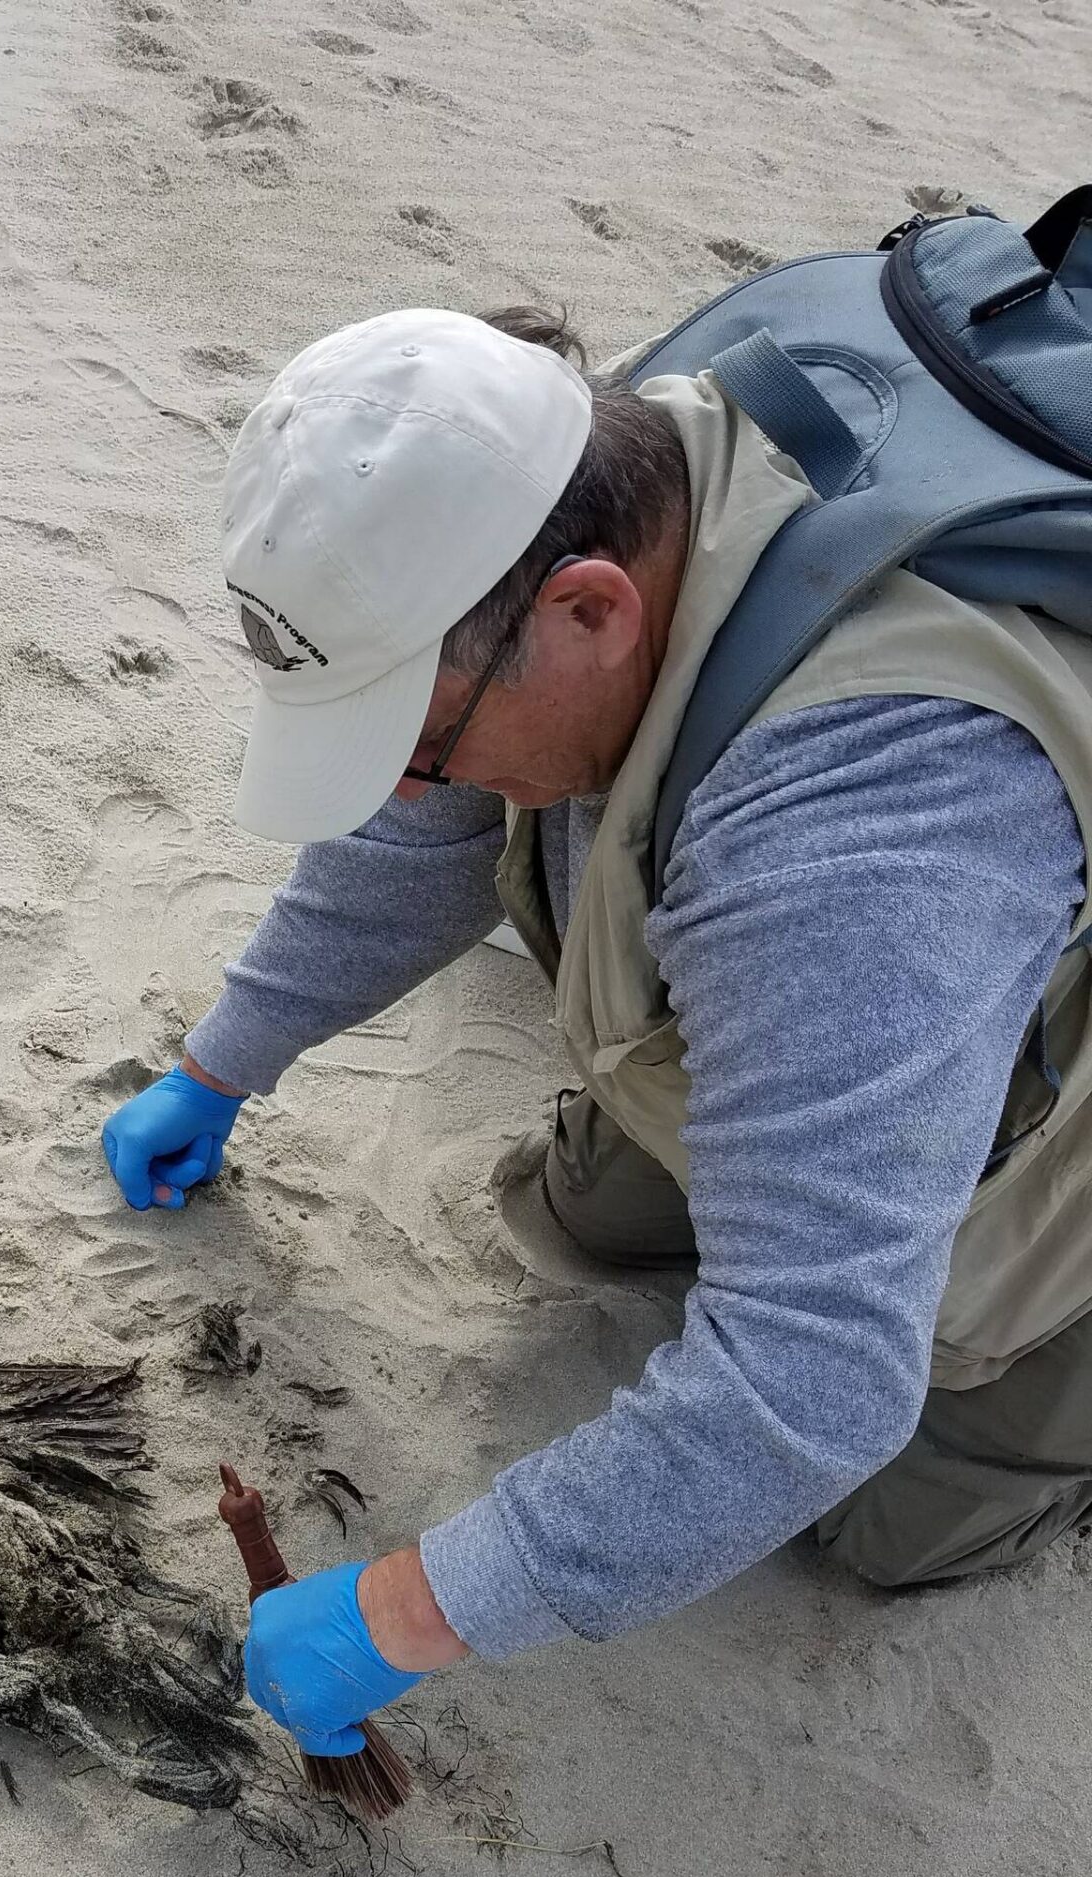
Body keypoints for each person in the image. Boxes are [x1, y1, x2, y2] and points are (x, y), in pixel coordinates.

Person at [99, 303, 1092, 1758]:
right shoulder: (611, 463)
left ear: (592, 612)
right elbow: (429, 828)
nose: (407, 789)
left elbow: (810, 1383)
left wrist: (404, 1612)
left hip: (994, 988)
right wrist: (225, 1056)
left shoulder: (850, 842)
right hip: (865, 956)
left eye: (416, 744)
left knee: (879, 1514)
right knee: (588, 1216)